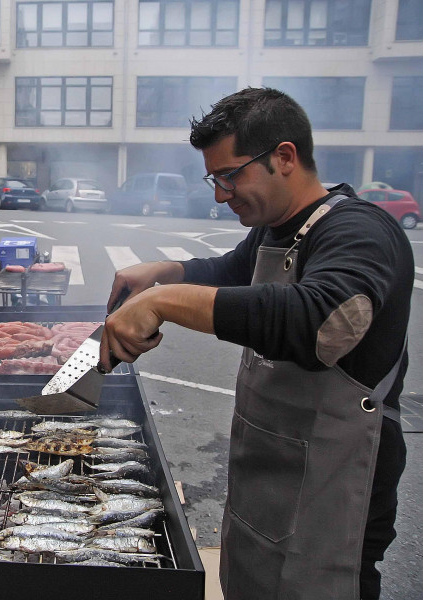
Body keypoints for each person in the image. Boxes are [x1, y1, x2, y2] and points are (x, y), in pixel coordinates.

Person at [100, 87, 411, 600]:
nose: (220, 194)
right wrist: (164, 272)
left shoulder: (360, 231)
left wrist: (167, 302)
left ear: (284, 157)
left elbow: (320, 324)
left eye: (230, 175)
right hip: (266, 474)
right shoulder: (274, 229)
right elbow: (230, 272)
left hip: (334, 492)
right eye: (214, 179)